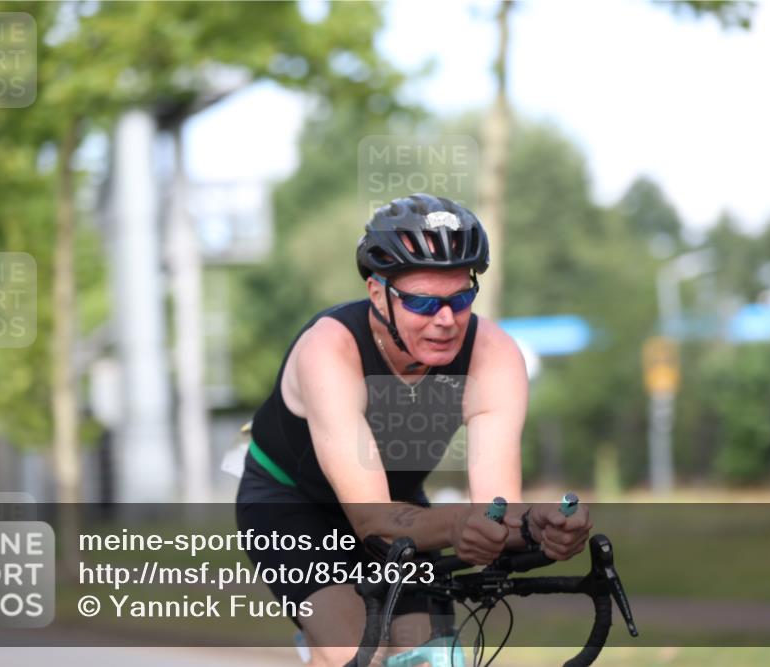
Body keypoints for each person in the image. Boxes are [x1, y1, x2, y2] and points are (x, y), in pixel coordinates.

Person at [236, 193, 592, 666]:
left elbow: (495, 510)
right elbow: (372, 521)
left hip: (402, 511)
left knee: (427, 654)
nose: (445, 321)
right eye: (423, 302)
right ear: (377, 293)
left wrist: (536, 526)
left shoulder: (494, 355)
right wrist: (459, 523)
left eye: (460, 298)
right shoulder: (329, 350)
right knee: (355, 645)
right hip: (292, 506)